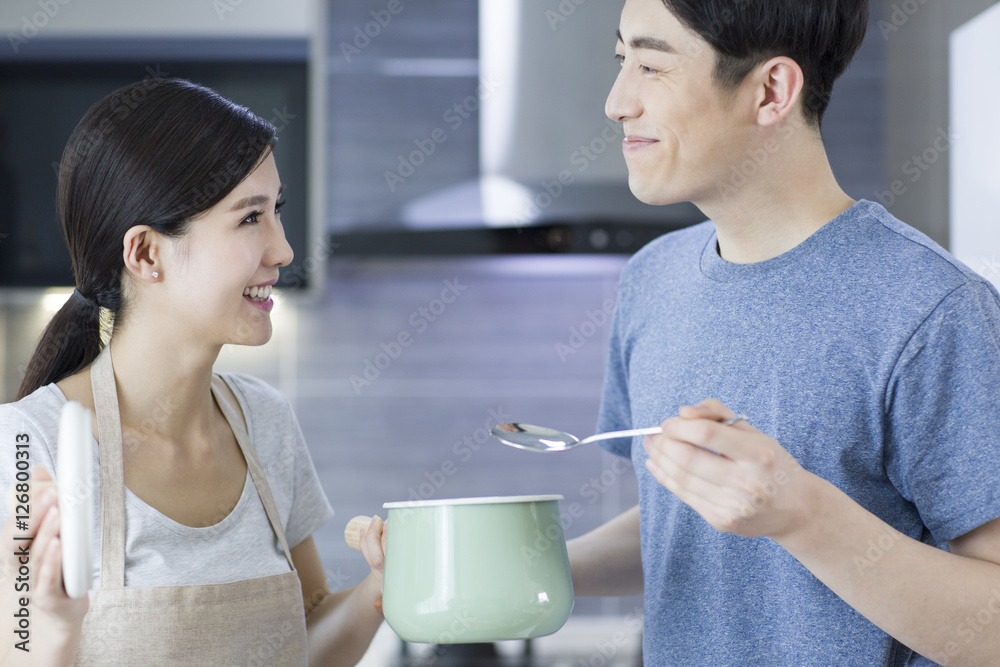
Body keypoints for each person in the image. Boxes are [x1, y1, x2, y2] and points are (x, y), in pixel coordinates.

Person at [566, 0, 1000, 665]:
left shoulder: (935, 309)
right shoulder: (651, 281)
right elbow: (683, 526)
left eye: (651, 65)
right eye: (623, 60)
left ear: (770, 91)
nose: (616, 102)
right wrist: (530, 566)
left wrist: (803, 514)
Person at [0, 78, 387, 666]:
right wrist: (47, 634)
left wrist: (382, 590)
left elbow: (306, 647)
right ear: (146, 254)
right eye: (250, 218)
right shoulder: (28, 450)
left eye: (274, 211)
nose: (282, 250)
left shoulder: (265, 423)